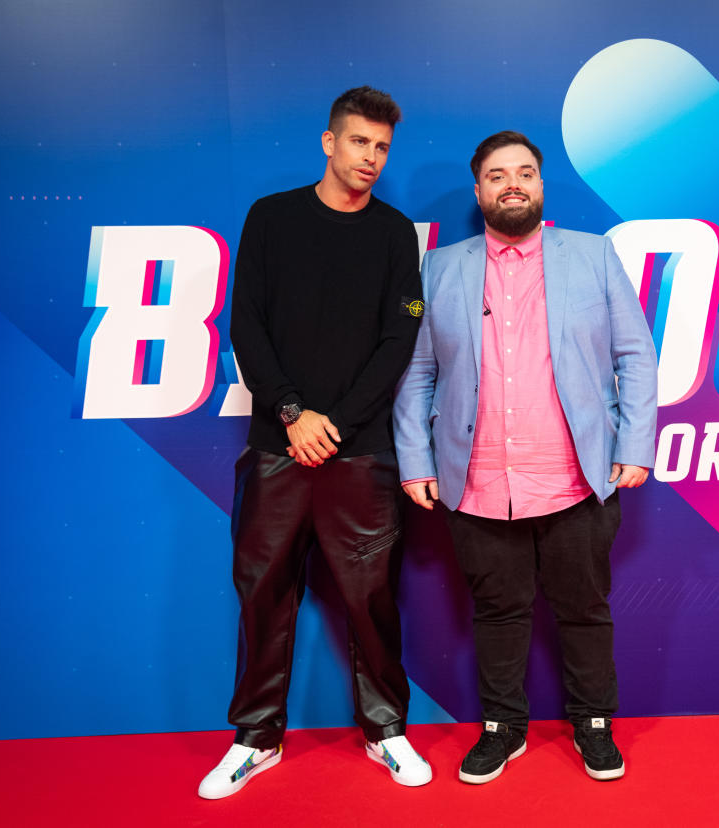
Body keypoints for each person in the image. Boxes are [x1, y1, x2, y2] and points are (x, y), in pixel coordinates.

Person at [392, 130, 658, 783]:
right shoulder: (440, 268)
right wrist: (416, 459)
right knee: (497, 612)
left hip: (576, 479)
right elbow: (418, 373)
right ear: (479, 190)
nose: (514, 183)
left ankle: (594, 722)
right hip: (477, 480)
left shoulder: (594, 257)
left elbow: (635, 356)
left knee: (584, 608)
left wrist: (633, 445)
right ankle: (502, 727)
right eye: (498, 174)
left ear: (540, 185)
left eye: (526, 173)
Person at [198, 86, 431, 799]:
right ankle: (255, 739)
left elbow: (400, 339)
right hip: (277, 446)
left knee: (372, 597)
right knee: (264, 591)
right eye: (359, 142)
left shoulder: (394, 233)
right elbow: (246, 326)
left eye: (382, 147)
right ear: (329, 142)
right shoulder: (270, 218)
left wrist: (334, 424)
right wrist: (295, 413)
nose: (370, 158)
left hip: (360, 453)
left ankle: (386, 730)